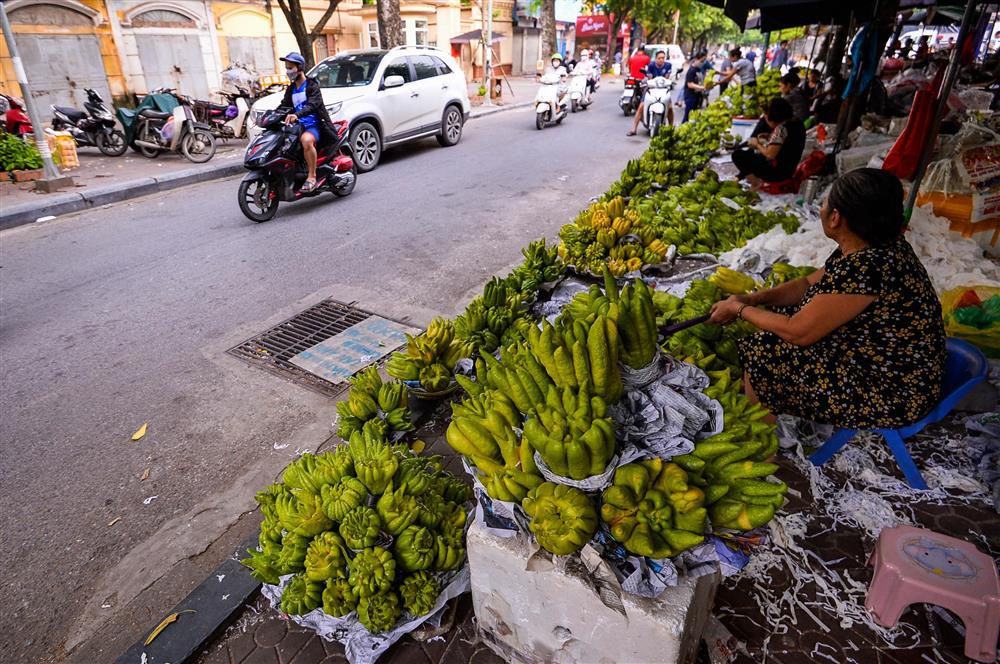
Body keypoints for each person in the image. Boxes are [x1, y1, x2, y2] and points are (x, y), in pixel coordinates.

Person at [709, 169, 946, 430]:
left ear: (835, 218)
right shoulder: (872, 246)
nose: (820, 209)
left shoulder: (868, 266)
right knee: (780, 314)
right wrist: (754, 299)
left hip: (894, 393)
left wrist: (738, 309)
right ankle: (760, 402)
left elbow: (797, 332)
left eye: (824, 204)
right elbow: (806, 284)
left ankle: (761, 436)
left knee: (764, 351)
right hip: (886, 365)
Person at [280, 52, 337, 193]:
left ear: (299, 68)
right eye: (286, 68)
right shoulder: (291, 89)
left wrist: (296, 115)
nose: (288, 71)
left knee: (306, 141)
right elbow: (284, 106)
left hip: (314, 126)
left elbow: (313, 105)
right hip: (297, 128)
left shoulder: (312, 85)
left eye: (290, 68)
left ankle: (312, 177)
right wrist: (270, 116)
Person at [731, 97, 805, 183]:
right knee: (752, 154)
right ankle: (743, 176)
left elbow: (770, 155)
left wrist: (757, 144)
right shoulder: (797, 122)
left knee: (738, 155)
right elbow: (787, 142)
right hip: (789, 169)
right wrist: (769, 137)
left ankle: (755, 183)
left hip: (778, 173)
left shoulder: (781, 129)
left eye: (766, 117)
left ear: (773, 119)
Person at [626, 49, 674, 136]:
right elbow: (649, 77)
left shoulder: (668, 65)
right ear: (656, 59)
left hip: (663, 89)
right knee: (641, 106)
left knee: (670, 107)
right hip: (651, 88)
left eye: (663, 58)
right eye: (659, 58)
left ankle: (671, 128)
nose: (661, 60)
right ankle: (634, 129)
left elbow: (667, 77)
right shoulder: (651, 66)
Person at [681, 49, 708, 124]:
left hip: (697, 96)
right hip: (690, 96)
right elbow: (690, 84)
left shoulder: (698, 69)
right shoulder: (691, 71)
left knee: (693, 118)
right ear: (696, 59)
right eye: (702, 61)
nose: (703, 63)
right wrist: (702, 87)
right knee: (687, 117)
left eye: (704, 61)